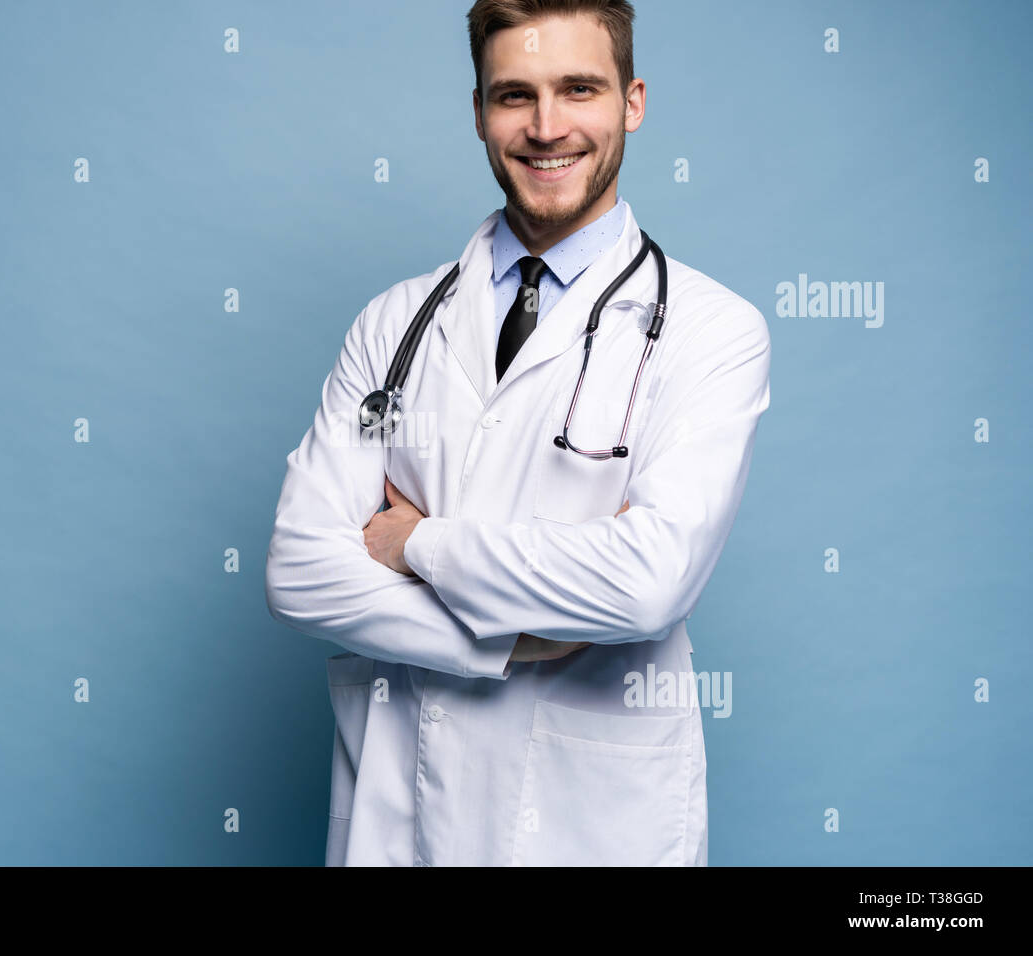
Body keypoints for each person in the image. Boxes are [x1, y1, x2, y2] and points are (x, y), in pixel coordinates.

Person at [264, 0, 770, 866]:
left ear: (632, 101)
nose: (547, 128)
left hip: (594, 825)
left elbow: (648, 584)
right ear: (477, 112)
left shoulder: (710, 330)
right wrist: (511, 643)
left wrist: (418, 544)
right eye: (514, 96)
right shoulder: (394, 324)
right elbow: (301, 571)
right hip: (400, 813)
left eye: (579, 89)